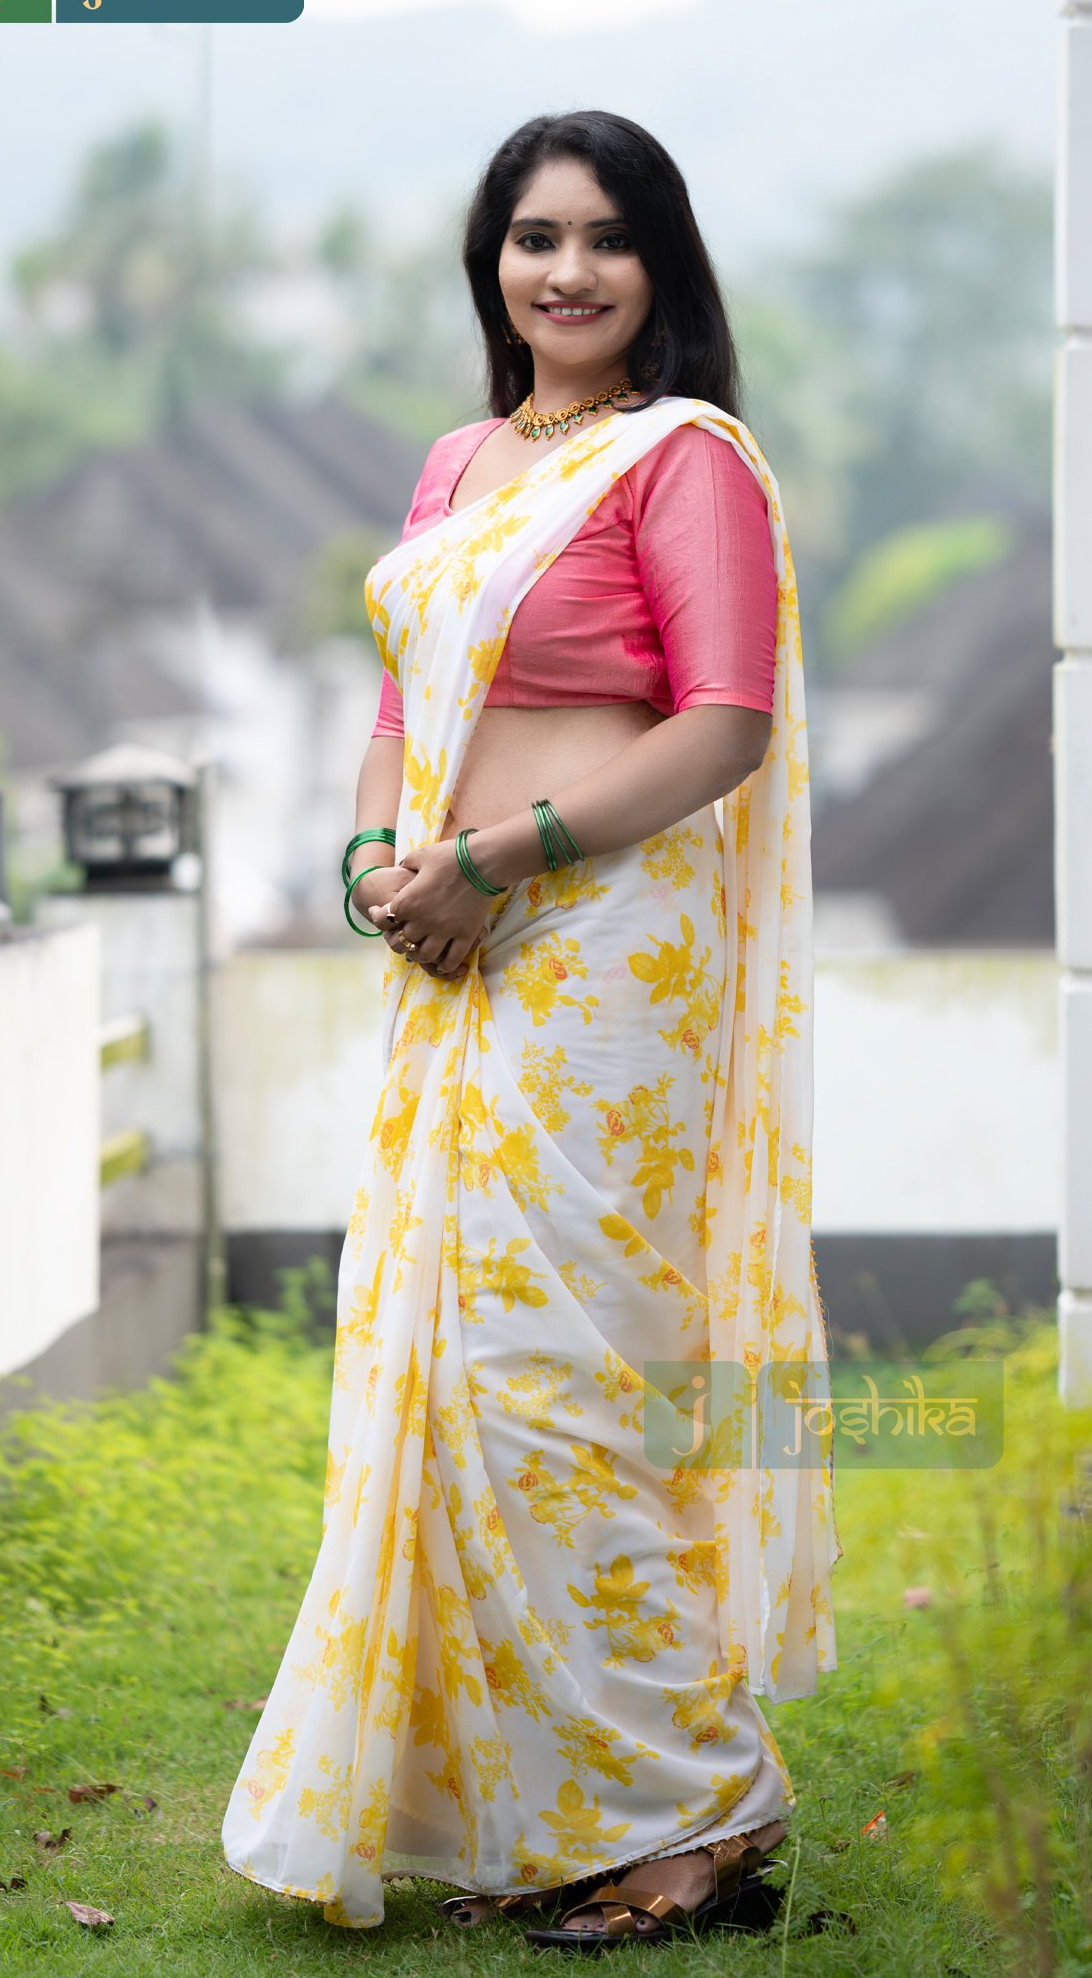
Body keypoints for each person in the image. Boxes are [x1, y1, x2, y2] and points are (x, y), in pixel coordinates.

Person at [220, 108, 839, 1948]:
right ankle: (543, 1806)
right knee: (444, 1375)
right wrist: (377, 865)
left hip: (609, 963)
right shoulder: (462, 461)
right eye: (533, 237)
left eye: (606, 238)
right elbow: (403, 710)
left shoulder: (686, 459)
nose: (566, 272)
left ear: (662, 265)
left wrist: (501, 855)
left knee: (564, 1373)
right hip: (454, 953)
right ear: (491, 262)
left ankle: (698, 1808)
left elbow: (724, 722)